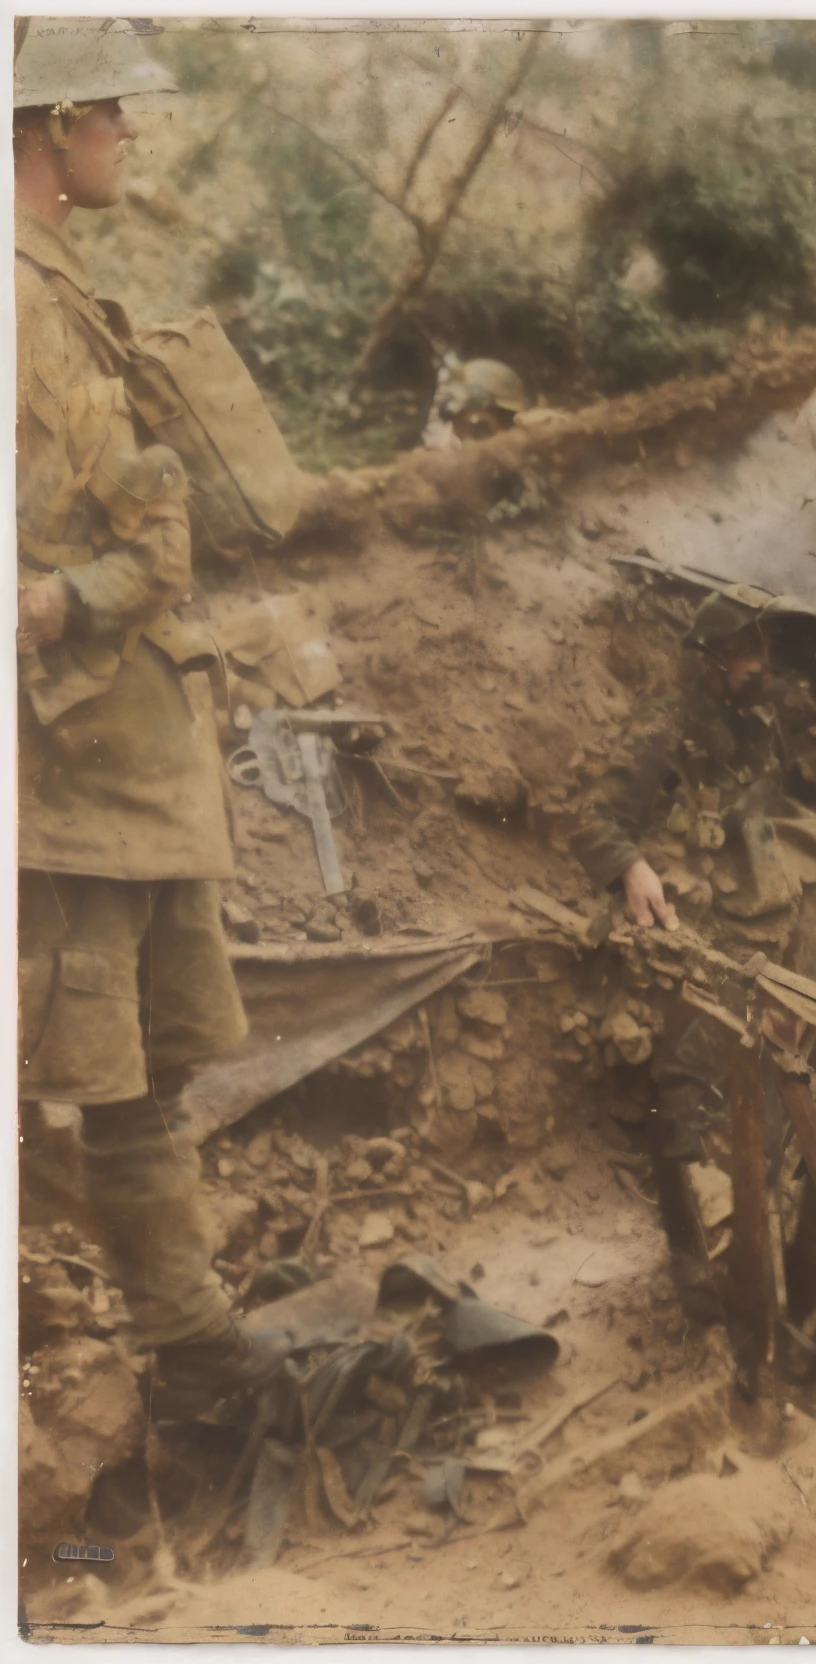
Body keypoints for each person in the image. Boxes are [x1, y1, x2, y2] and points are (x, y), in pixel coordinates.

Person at [15, 20, 287, 1414]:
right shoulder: (14, 298)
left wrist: (110, 576)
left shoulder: (66, 293)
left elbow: (134, 521)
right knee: (50, 1070)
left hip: (125, 755)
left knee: (140, 1074)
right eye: (112, 113)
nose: (130, 134)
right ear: (52, 125)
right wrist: (65, 596)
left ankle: (190, 1352)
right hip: (59, 765)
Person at [570, 582, 816, 1313]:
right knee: (687, 1085)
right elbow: (593, 817)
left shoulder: (763, 722)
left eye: (766, 648)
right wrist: (632, 867)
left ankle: (764, 1241)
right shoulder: (666, 728)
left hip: (765, 924)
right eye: (750, 651)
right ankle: (691, 1256)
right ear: (713, 658)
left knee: (782, 1071)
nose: (763, 663)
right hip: (695, 932)